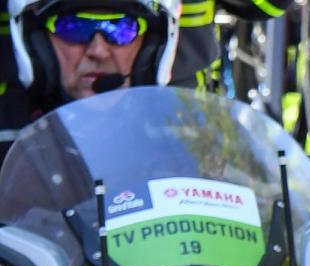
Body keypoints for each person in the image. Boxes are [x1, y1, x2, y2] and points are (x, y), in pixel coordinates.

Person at [1, 0, 179, 162]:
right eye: (74, 28)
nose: (99, 52)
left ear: (152, 44)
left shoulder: (182, 134)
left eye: (121, 29)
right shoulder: (6, 134)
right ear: (37, 42)